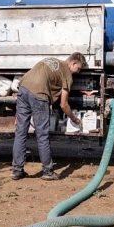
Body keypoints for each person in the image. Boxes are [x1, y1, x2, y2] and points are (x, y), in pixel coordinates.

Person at [12, 52, 87, 181]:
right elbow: (64, 104)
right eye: (78, 68)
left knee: (20, 132)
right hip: (39, 94)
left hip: (23, 89)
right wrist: (74, 119)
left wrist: (16, 115)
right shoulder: (67, 74)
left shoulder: (52, 60)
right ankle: (47, 171)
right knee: (42, 135)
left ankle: (17, 170)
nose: (78, 72)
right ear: (73, 63)